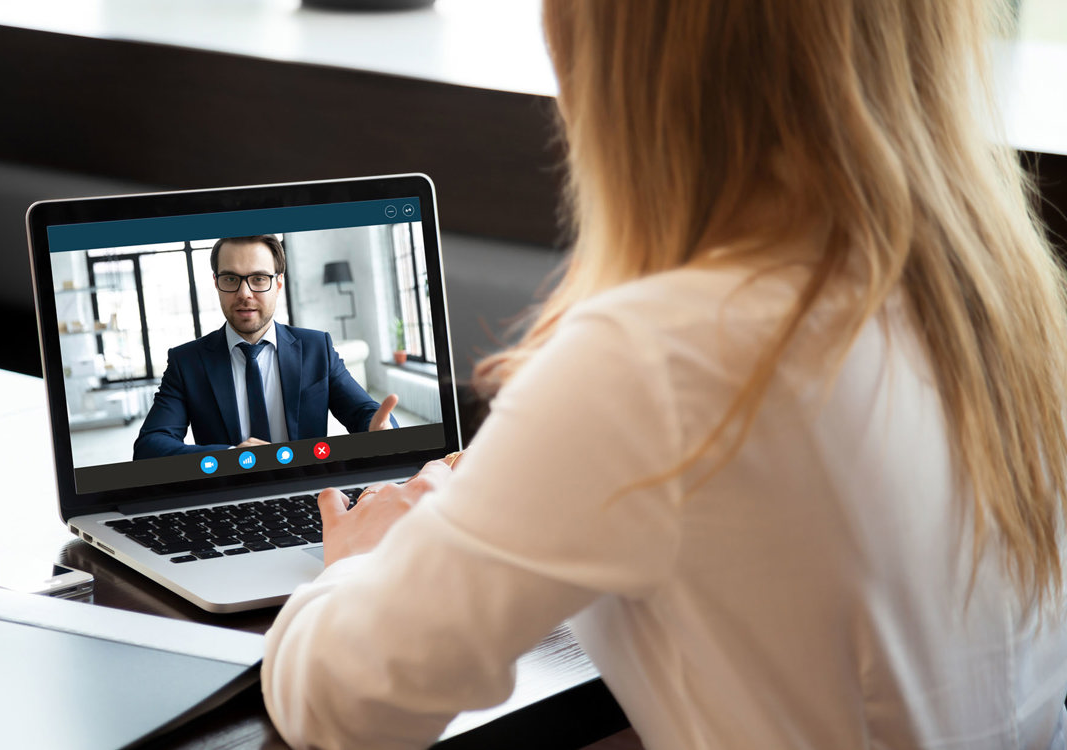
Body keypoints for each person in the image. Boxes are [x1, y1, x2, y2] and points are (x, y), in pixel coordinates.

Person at [262, 1, 1067, 747]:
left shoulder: (656, 359)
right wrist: (508, 512)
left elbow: (346, 703)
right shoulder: (1001, 304)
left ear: (618, 64)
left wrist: (368, 563)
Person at [133, 235, 398, 459]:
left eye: (259, 278)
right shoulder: (186, 361)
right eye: (230, 279)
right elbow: (149, 446)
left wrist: (382, 429)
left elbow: (365, 412)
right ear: (216, 283)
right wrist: (229, 455)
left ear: (278, 282)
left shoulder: (317, 348)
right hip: (225, 494)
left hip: (309, 489)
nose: (244, 293)